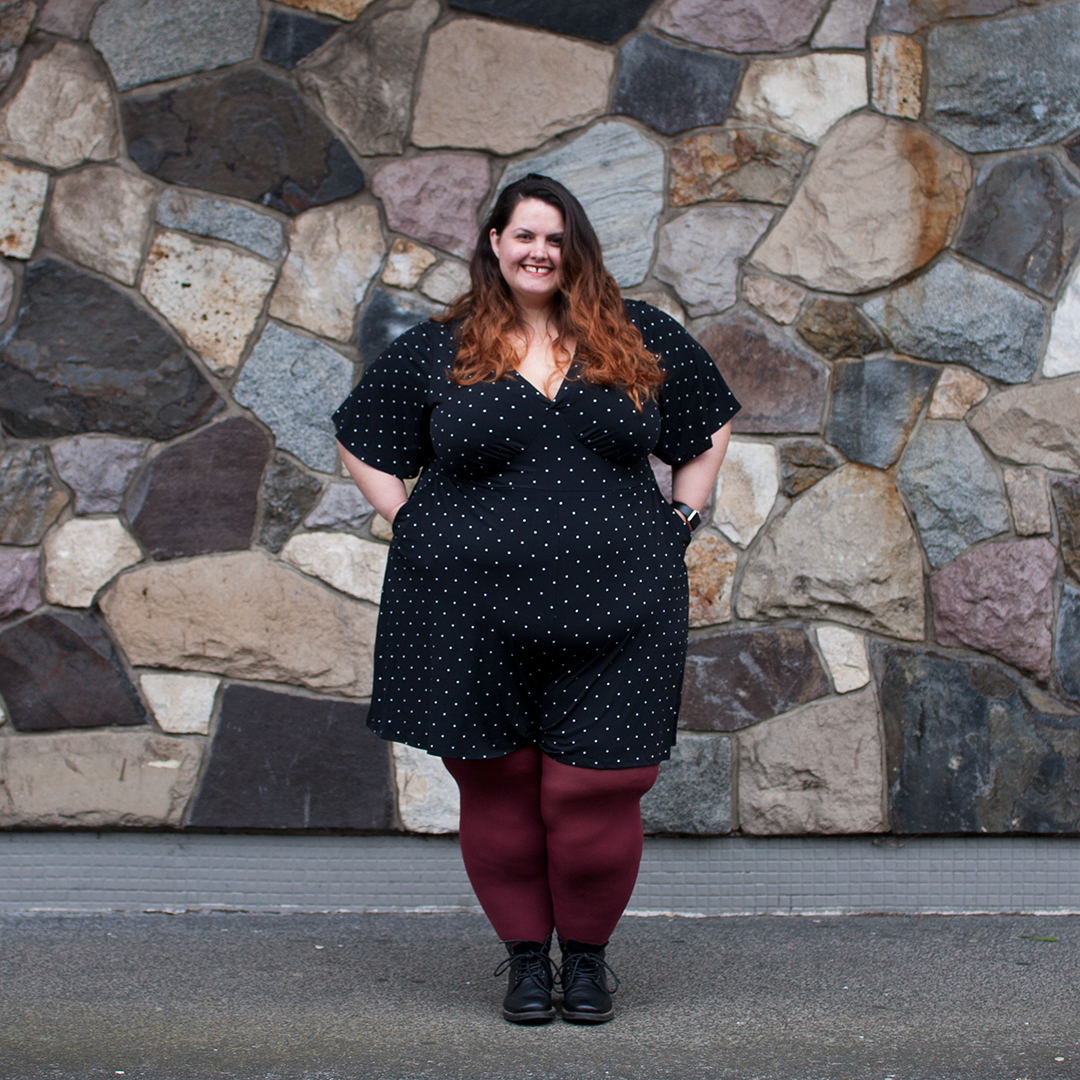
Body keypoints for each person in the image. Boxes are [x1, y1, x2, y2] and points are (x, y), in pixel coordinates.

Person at [333, 174, 739, 1025]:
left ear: (575, 247)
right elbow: (361, 439)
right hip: (465, 610)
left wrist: (682, 519)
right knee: (496, 786)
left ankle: (585, 963)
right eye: (524, 236)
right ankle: (526, 962)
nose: (539, 252)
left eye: (555, 238)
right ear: (494, 243)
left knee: (598, 787)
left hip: (623, 609)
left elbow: (705, 425)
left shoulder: (637, 337)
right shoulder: (439, 348)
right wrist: (413, 526)